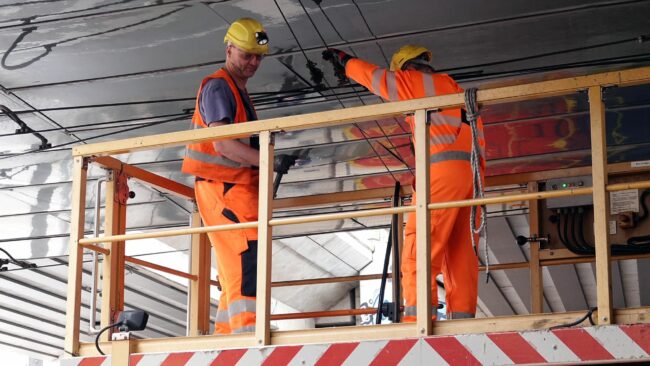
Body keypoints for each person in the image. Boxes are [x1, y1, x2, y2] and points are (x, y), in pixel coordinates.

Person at [324, 45, 486, 321]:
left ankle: (419, 320)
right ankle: (463, 321)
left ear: (406, 69)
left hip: (441, 179)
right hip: (473, 183)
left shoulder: (416, 83)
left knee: (418, 249)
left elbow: (377, 78)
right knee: (459, 255)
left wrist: (346, 63)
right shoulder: (455, 92)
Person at [181, 17, 272, 334]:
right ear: (229, 48)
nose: (253, 62)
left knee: (237, 267)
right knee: (247, 264)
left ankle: (226, 336)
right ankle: (248, 336)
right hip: (225, 191)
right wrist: (267, 160)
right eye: (247, 54)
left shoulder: (235, 91)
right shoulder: (219, 86)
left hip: (231, 191)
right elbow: (223, 144)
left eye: (258, 56)